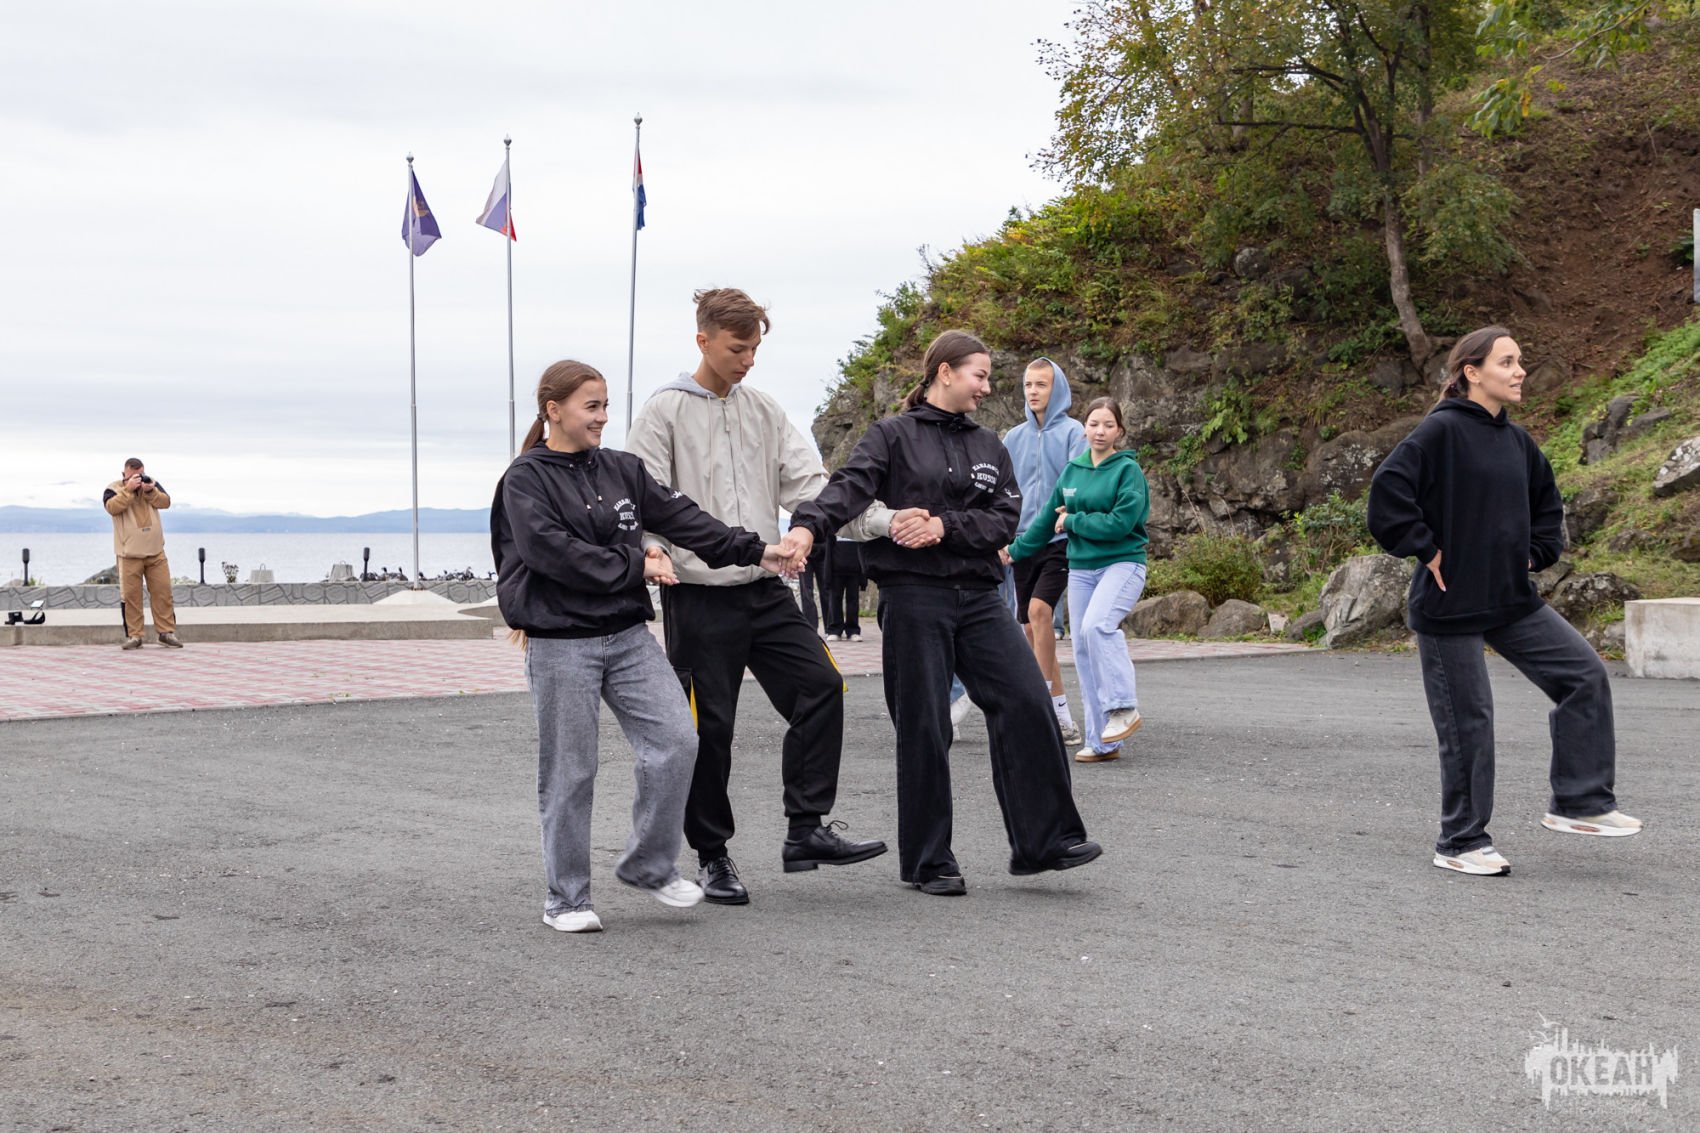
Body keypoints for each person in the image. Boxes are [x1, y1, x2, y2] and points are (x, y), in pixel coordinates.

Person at [785, 329, 1102, 897]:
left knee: (1026, 700)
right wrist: (808, 526)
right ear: (945, 372)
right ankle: (928, 861)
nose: (988, 387)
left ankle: (1045, 841)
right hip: (913, 596)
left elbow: (1006, 517)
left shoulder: (989, 445)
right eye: (980, 375)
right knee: (925, 726)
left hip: (979, 597)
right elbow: (849, 489)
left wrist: (942, 526)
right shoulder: (890, 436)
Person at [493, 360, 793, 933]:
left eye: (606, 406)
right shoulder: (525, 479)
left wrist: (758, 551)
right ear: (553, 410)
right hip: (561, 642)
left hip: (628, 636)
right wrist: (638, 564)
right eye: (591, 407)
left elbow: (686, 519)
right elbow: (550, 552)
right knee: (571, 772)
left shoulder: (623, 469)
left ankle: (649, 864)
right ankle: (566, 900)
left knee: (678, 742)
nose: (603, 417)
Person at [625, 287, 888, 906]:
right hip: (698, 597)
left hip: (767, 591)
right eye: (737, 349)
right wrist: (650, 550)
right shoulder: (662, 412)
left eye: (754, 350)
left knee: (822, 686)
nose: (747, 361)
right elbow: (642, 499)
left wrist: (885, 520)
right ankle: (712, 855)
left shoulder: (765, 409)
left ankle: (805, 829)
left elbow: (813, 487)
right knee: (709, 731)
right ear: (703, 340)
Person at [1367, 325, 1641, 878]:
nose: (1520, 371)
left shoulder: (1517, 441)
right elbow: (1387, 494)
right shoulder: (1440, 432)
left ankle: (1580, 802)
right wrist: (1427, 548)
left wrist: (1535, 555)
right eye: (1507, 362)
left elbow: (1547, 504)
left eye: (1519, 361)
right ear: (1472, 372)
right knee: (1469, 722)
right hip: (1449, 605)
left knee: (1584, 675)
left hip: (1511, 598)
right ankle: (1461, 841)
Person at [1009, 397, 1149, 762]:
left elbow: (1120, 524)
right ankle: (1102, 742)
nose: (1100, 431)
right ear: (1084, 428)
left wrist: (1072, 520)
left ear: (1119, 431)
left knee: (1096, 627)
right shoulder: (1073, 471)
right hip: (1082, 568)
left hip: (1122, 563)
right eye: (1093, 424)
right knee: (1083, 648)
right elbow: (1044, 521)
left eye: (1108, 425)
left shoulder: (1128, 471)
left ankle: (1123, 707)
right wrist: (1014, 551)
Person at [1002, 356, 1087, 745]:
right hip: (1022, 542)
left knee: (1041, 614)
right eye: (1028, 385)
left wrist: (1068, 516)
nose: (1033, 392)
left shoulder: (1074, 433)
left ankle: (1038, 709)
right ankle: (1061, 716)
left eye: (1041, 384)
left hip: (1059, 540)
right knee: (1030, 629)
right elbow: (1003, 491)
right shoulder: (1013, 437)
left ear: (1058, 389)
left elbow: (1079, 483)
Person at [103, 458, 181, 650]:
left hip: (156, 551)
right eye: (133, 476)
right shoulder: (113, 489)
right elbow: (112, 508)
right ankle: (134, 635)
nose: (138, 479)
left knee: (163, 592)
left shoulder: (151, 484)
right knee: (131, 596)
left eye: (140, 475)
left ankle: (166, 633)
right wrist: (129, 490)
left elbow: (166, 502)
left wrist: (151, 491)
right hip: (128, 554)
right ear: (124, 474)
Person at [827, 537, 865, 641]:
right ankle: (834, 630)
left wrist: (863, 576)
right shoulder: (833, 531)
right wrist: (827, 575)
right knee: (835, 600)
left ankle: (853, 631)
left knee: (853, 601)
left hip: (855, 571)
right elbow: (828, 553)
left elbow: (863, 550)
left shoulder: (857, 531)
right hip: (836, 572)